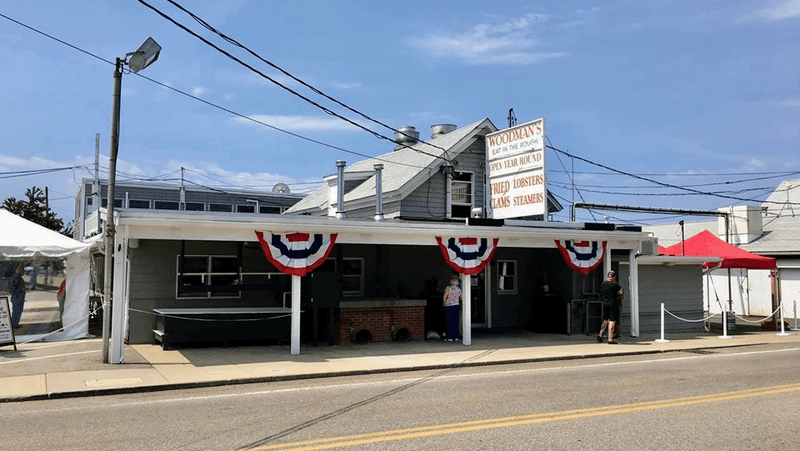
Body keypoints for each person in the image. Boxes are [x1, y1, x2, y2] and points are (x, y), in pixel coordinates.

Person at [598, 270, 623, 344]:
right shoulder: (615, 285)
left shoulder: (603, 284)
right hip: (613, 304)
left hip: (605, 304)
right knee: (612, 321)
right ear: (614, 277)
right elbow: (621, 293)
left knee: (605, 319)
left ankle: (600, 334)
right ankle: (610, 338)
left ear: (608, 276)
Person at [442, 274, 462, 342]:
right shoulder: (459, 289)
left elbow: (445, 296)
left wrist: (444, 303)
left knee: (449, 322)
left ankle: (449, 337)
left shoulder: (448, 288)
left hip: (449, 306)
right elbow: (461, 298)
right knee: (455, 321)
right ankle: (455, 336)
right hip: (456, 305)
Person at [10, 265, 26, 329]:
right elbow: (13, 287)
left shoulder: (18, 277)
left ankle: (15, 323)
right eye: (22, 271)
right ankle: (14, 324)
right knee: (16, 311)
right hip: (17, 297)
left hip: (19, 297)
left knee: (18, 311)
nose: (23, 273)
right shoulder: (16, 277)